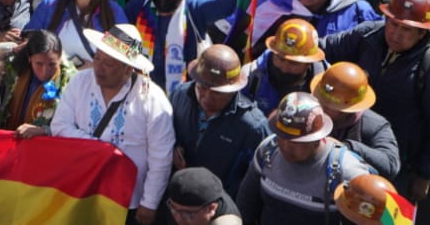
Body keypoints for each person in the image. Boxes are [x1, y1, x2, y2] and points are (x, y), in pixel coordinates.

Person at [51, 24, 175, 223]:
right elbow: (60, 126)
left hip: (127, 200)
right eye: (97, 58)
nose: (99, 67)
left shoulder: (153, 99)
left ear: (128, 68)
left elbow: (161, 157)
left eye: (108, 63)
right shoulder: (80, 82)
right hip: (82, 189)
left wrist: (149, 203)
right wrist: (101, 149)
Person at [321, 0, 430, 204]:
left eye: (406, 29)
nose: (395, 34)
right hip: (349, 147)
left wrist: (424, 174)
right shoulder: (368, 35)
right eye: (393, 24)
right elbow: (323, 49)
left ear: (422, 33)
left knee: (388, 215)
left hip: (399, 164)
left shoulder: (426, 65)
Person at [237, 91, 368, 225]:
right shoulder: (267, 151)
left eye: (295, 142)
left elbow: (374, 218)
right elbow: (245, 205)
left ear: (316, 139)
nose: (286, 146)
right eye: (282, 137)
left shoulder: (346, 172)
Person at [169, 44, 271, 201]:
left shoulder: (253, 126)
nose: (207, 98)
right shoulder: (180, 95)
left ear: (234, 89)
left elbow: (261, 178)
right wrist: (172, 147)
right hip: (176, 201)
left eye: (217, 93)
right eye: (202, 88)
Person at [310, 62, 400, 178]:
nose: (322, 107)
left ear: (348, 109)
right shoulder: (308, 109)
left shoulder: (374, 125)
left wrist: (349, 146)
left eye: (329, 106)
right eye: (321, 100)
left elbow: (391, 164)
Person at [0, 28, 78, 138]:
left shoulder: (71, 81)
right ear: (30, 59)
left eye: (52, 64)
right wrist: (13, 50)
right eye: (39, 64)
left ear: (60, 58)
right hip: (10, 137)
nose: (45, 71)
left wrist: (45, 130)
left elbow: (74, 124)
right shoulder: (17, 69)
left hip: (45, 145)